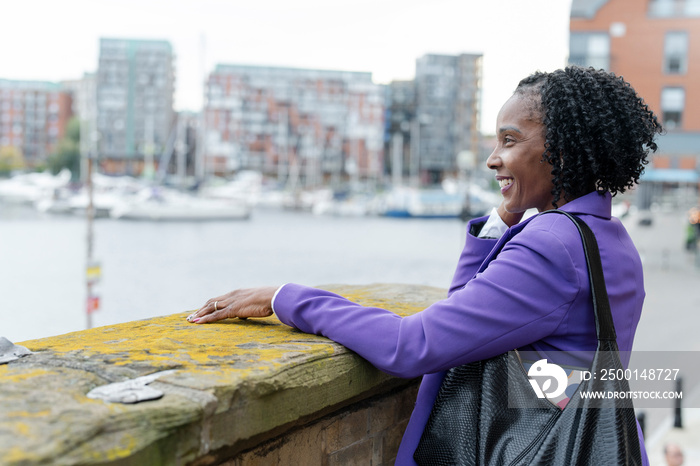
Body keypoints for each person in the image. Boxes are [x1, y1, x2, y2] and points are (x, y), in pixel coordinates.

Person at [187, 66, 662, 465]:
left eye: (509, 141)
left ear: (562, 148)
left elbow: (411, 345)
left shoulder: (552, 246)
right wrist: (500, 222)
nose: (493, 159)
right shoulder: (610, 239)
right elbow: (465, 314)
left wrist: (285, 298)